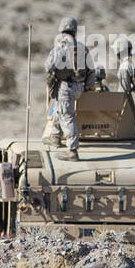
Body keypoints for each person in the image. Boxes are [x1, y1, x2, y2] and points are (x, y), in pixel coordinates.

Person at [42, 16, 100, 160]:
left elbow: (48, 66)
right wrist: (88, 87)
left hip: (66, 86)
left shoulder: (60, 47)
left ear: (62, 31)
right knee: (59, 108)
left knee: (67, 116)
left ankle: (72, 151)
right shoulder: (82, 48)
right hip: (79, 86)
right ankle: (55, 136)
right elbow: (92, 71)